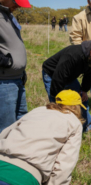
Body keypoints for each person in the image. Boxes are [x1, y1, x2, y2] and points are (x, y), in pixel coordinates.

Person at [0, 89, 84, 185]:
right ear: (75, 106)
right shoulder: (74, 122)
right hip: (25, 176)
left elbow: (5, 133)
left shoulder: (38, 110)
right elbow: (65, 165)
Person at [42, 40, 91, 132]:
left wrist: (84, 90)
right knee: (58, 105)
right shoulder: (72, 55)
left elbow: (90, 75)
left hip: (69, 76)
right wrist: (57, 97)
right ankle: (60, 131)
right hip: (53, 74)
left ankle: (86, 126)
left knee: (81, 100)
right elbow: (58, 78)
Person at [0, 0, 31, 133]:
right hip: (5, 81)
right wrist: (6, 62)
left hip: (18, 78)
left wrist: (20, 69)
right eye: (16, 2)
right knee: (7, 125)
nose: (18, 6)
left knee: (22, 119)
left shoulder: (9, 15)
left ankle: (19, 150)